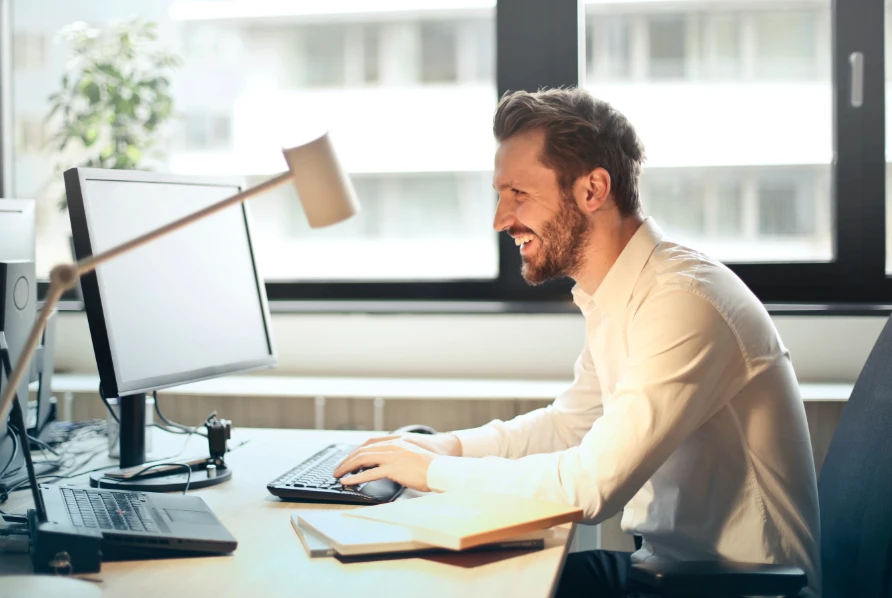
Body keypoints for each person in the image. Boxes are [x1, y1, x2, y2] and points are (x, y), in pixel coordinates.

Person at [333, 88, 821, 598]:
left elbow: (591, 488)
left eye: (518, 194)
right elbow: (570, 426)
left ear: (593, 190)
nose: (501, 219)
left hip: (734, 589)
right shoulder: (618, 292)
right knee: (453, 578)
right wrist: (445, 447)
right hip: (664, 571)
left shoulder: (683, 303)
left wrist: (433, 472)